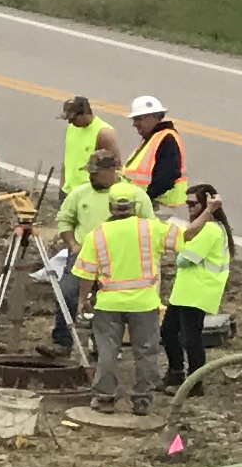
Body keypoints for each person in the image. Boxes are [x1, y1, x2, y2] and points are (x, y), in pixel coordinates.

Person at [75, 173, 170, 416]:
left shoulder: (97, 235)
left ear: (111, 206)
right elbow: (185, 237)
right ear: (135, 206)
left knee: (107, 352)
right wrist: (208, 213)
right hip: (144, 303)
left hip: (108, 304)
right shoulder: (151, 229)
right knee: (146, 352)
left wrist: (82, 300)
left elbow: (86, 273)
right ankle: (142, 401)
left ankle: (105, 398)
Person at [44, 140, 123, 355]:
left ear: (110, 171)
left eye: (96, 173)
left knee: (107, 302)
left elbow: (145, 224)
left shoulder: (128, 193)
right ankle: (62, 341)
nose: (91, 176)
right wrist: (72, 244)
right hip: (81, 255)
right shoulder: (80, 194)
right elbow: (64, 220)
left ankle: (103, 346)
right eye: (90, 172)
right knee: (66, 291)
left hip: (116, 259)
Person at [162, 181, 231, 391]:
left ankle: (194, 383)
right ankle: (175, 373)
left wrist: (179, 246)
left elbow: (184, 259)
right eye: (187, 203)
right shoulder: (203, 228)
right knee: (168, 332)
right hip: (185, 291)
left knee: (191, 338)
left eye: (193, 204)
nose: (189, 207)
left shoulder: (210, 230)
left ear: (205, 205)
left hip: (198, 291)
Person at [124, 95, 188, 215]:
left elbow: (167, 175)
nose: (135, 124)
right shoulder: (152, 138)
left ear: (155, 116)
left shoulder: (166, 138)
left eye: (139, 119)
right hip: (149, 205)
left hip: (159, 207)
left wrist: (147, 198)